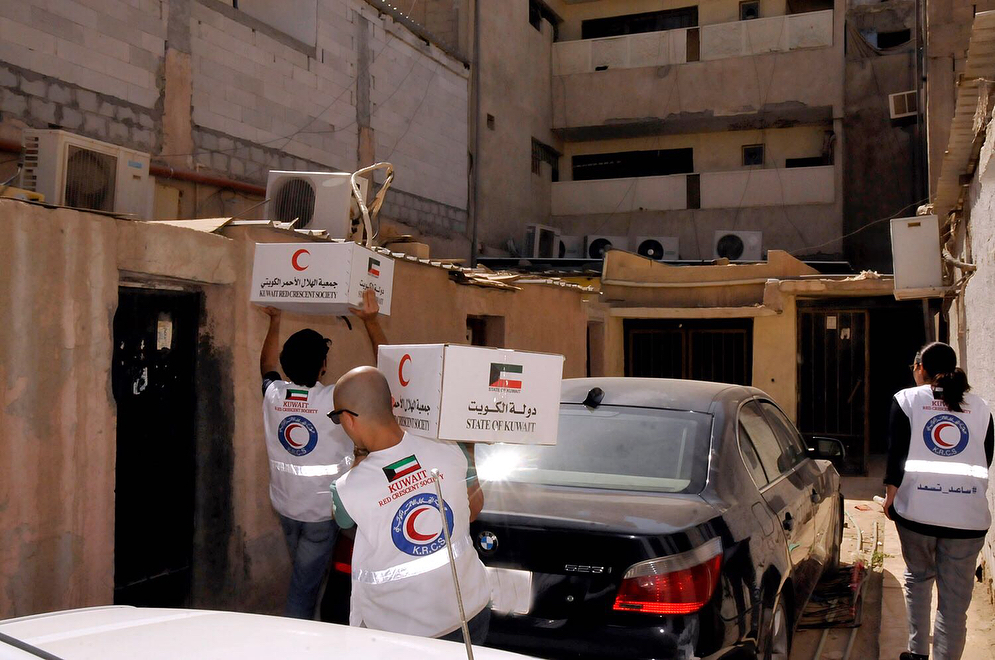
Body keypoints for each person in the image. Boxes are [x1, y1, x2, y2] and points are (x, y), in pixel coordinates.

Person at [328, 366, 491, 643]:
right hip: (470, 612)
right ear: (392, 403)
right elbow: (474, 511)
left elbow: (343, 520)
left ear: (348, 419)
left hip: (401, 632)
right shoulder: (450, 448)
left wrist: (360, 453)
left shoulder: (347, 489)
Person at [259, 288, 387, 619]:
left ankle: (311, 622)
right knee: (304, 588)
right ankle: (299, 637)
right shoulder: (334, 400)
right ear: (324, 366)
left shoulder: (274, 394)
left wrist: (275, 320)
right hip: (321, 514)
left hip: (286, 507)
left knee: (307, 578)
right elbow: (384, 374)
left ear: (287, 364)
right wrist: (371, 323)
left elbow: (266, 366)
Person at [883, 342, 995, 660]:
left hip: (916, 515)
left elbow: (896, 454)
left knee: (918, 580)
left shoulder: (907, 400)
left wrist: (890, 498)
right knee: (954, 602)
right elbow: (984, 459)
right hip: (968, 520)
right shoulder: (981, 407)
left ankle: (917, 653)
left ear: (920, 368)